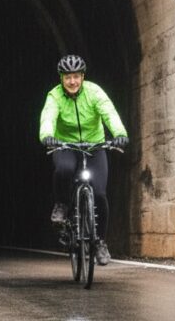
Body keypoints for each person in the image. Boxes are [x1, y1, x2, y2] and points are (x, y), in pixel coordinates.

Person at [39, 54, 129, 266]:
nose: (72, 82)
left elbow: (109, 113)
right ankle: (61, 205)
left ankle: (100, 242)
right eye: (68, 77)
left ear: (82, 77)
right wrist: (47, 136)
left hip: (94, 146)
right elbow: (48, 117)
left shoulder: (94, 92)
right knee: (64, 170)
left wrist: (120, 133)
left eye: (76, 77)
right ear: (61, 78)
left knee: (99, 193)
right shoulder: (54, 96)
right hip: (65, 145)